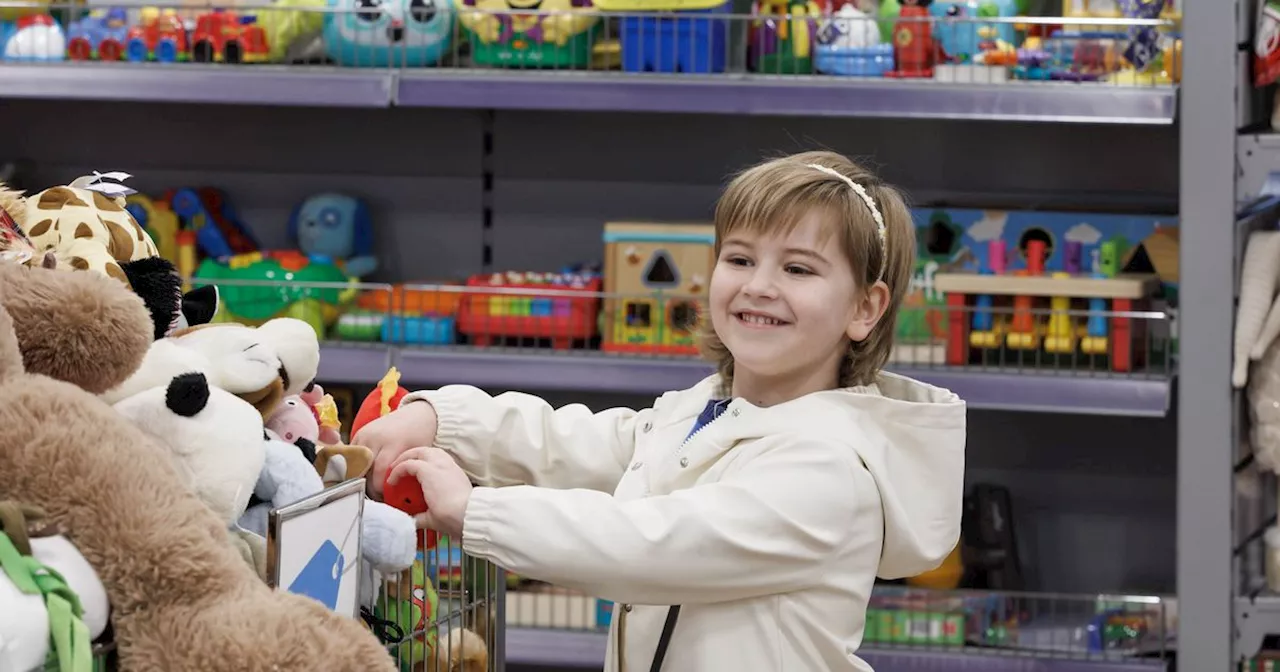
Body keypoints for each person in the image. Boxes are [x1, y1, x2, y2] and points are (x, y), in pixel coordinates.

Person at [355, 150, 967, 672]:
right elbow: (582, 443)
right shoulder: (708, 412)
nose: (758, 284)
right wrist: (444, 419)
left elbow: (645, 545)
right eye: (740, 258)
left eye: (799, 268)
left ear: (865, 307)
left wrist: (474, 511)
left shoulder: (829, 470)